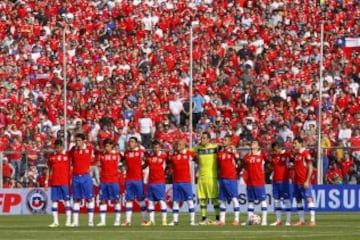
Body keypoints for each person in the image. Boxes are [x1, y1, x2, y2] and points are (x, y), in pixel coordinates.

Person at [191, 131, 220, 225]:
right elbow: (188, 151)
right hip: (201, 177)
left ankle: (218, 218)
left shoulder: (215, 147)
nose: (202, 140)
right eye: (201, 138)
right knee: (202, 199)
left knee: (214, 198)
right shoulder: (198, 148)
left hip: (212, 177)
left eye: (204, 138)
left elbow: (224, 147)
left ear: (208, 139)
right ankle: (204, 218)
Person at [69, 133, 95, 227]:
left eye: (79, 140)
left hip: (85, 176)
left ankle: (90, 221)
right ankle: (75, 222)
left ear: (84, 141)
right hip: (75, 177)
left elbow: (94, 158)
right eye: (76, 140)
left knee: (89, 199)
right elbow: (69, 159)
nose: (77, 142)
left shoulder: (89, 149)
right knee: (76, 199)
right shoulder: (73, 150)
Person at [168, 139, 196, 226]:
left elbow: (197, 158)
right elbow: (170, 167)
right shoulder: (174, 156)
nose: (178, 146)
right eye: (177, 144)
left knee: (189, 201)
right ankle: (175, 221)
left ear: (184, 145)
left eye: (180, 144)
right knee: (176, 201)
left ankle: (192, 221)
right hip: (176, 182)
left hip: (186, 182)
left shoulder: (189, 154)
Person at [121, 137, 148, 226]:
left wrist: (141, 168)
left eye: (132, 142)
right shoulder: (127, 153)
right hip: (129, 179)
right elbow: (124, 163)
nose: (130, 143)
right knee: (128, 200)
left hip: (138, 179)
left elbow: (147, 161)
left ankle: (144, 220)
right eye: (130, 142)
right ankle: (128, 221)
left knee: (141, 199)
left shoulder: (141, 152)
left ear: (136, 143)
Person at [215, 134, 240, 226]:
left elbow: (238, 160)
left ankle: (236, 219)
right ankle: (222, 220)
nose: (223, 141)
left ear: (230, 142)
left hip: (231, 178)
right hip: (222, 179)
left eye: (225, 140)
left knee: (234, 199)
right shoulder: (220, 153)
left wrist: (234, 150)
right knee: (222, 200)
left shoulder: (232, 152)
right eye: (223, 140)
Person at [242, 140, 268, 226]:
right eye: (252, 142)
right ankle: (250, 220)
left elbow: (268, 163)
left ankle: (264, 220)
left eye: (255, 143)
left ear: (258, 146)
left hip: (259, 182)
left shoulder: (262, 154)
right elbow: (245, 166)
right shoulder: (247, 156)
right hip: (250, 182)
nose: (252, 143)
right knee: (250, 201)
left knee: (262, 200)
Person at [46, 139, 71, 227]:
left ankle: (68, 221)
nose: (57, 149)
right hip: (54, 182)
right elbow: (48, 169)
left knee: (67, 201)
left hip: (64, 182)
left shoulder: (67, 155)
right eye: (56, 147)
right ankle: (55, 222)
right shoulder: (51, 156)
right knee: (54, 201)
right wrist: (46, 181)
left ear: (62, 147)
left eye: (59, 147)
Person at [96, 138, 122, 227]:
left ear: (111, 146)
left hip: (114, 181)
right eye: (105, 146)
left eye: (107, 146)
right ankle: (102, 221)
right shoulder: (101, 155)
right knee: (103, 200)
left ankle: (117, 220)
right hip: (104, 181)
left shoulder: (117, 155)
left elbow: (124, 162)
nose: (106, 148)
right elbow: (99, 166)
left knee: (116, 200)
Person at [143, 140, 168, 226]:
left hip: (160, 182)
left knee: (161, 201)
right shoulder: (149, 157)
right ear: (152, 148)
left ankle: (164, 221)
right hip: (151, 183)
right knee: (150, 202)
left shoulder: (164, 156)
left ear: (160, 148)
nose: (156, 149)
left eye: (157, 147)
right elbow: (144, 166)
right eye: (154, 147)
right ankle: (152, 220)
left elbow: (169, 165)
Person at [292, 137, 316, 226]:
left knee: (309, 198)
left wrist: (307, 181)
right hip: (297, 182)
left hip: (304, 181)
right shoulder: (296, 154)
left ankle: (312, 220)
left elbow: (310, 167)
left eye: (295, 143)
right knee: (298, 200)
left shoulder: (305, 153)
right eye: (293, 143)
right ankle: (301, 220)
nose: (293, 145)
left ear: (300, 143)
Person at [269, 141, 292, 226]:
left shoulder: (286, 154)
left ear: (279, 147)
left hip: (284, 180)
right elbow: (272, 166)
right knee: (276, 200)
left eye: (275, 149)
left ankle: (288, 220)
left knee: (286, 199)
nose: (274, 151)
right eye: (273, 149)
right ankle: (278, 220)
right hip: (275, 180)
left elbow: (292, 163)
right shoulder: (273, 156)